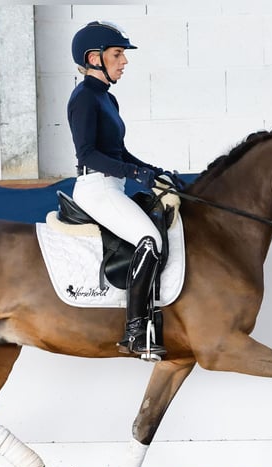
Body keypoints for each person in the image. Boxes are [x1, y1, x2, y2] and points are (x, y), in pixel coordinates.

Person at [68, 20, 167, 360]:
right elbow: (88, 153)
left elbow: (119, 153)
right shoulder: (83, 98)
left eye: (122, 54)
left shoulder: (108, 99)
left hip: (113, 184)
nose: (124, 62)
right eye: (117, 54)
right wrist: (133, 172)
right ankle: (136, 332)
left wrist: (152, 171)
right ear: (94, 58)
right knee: (149, 240)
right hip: (96, 187)